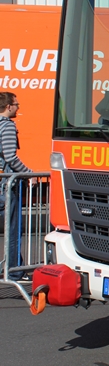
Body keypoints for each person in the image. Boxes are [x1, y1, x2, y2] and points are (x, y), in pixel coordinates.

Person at [0, 92, 31, 281]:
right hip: (6, 184)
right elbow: (10, 156)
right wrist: (28, 173)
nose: (18, 107)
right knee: (12, 228)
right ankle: (14, 270)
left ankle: (12, 266)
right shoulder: (8, 126)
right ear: (8, 106)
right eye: (16, 104)